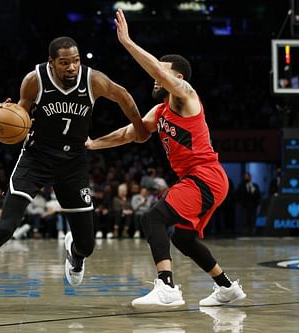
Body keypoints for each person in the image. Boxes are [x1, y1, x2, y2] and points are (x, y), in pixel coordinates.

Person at [0, 36, 149, 315]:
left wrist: (139, 126)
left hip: (73, 161)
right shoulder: (34, 80)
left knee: (87, 245)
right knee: (5, 228)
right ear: (52, 62)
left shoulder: (93, 80)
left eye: (75, 61)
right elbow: (20, 116)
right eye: (64, 63)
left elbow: (123, 95)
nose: (72, 67)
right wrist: (3, 116)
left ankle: (75, 252)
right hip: (36, 158)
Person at [85, 9, 246, 308]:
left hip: (205, 176)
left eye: (162, 69)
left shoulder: (186, 96)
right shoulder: (160, 112)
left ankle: (167, 287)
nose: (156, 75)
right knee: (183, 239)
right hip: (202, 180)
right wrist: (94, 144)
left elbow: (158, 72)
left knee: (152, 217)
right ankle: (226, 288)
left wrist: (128, 42)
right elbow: (131, 133)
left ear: (178, 76)